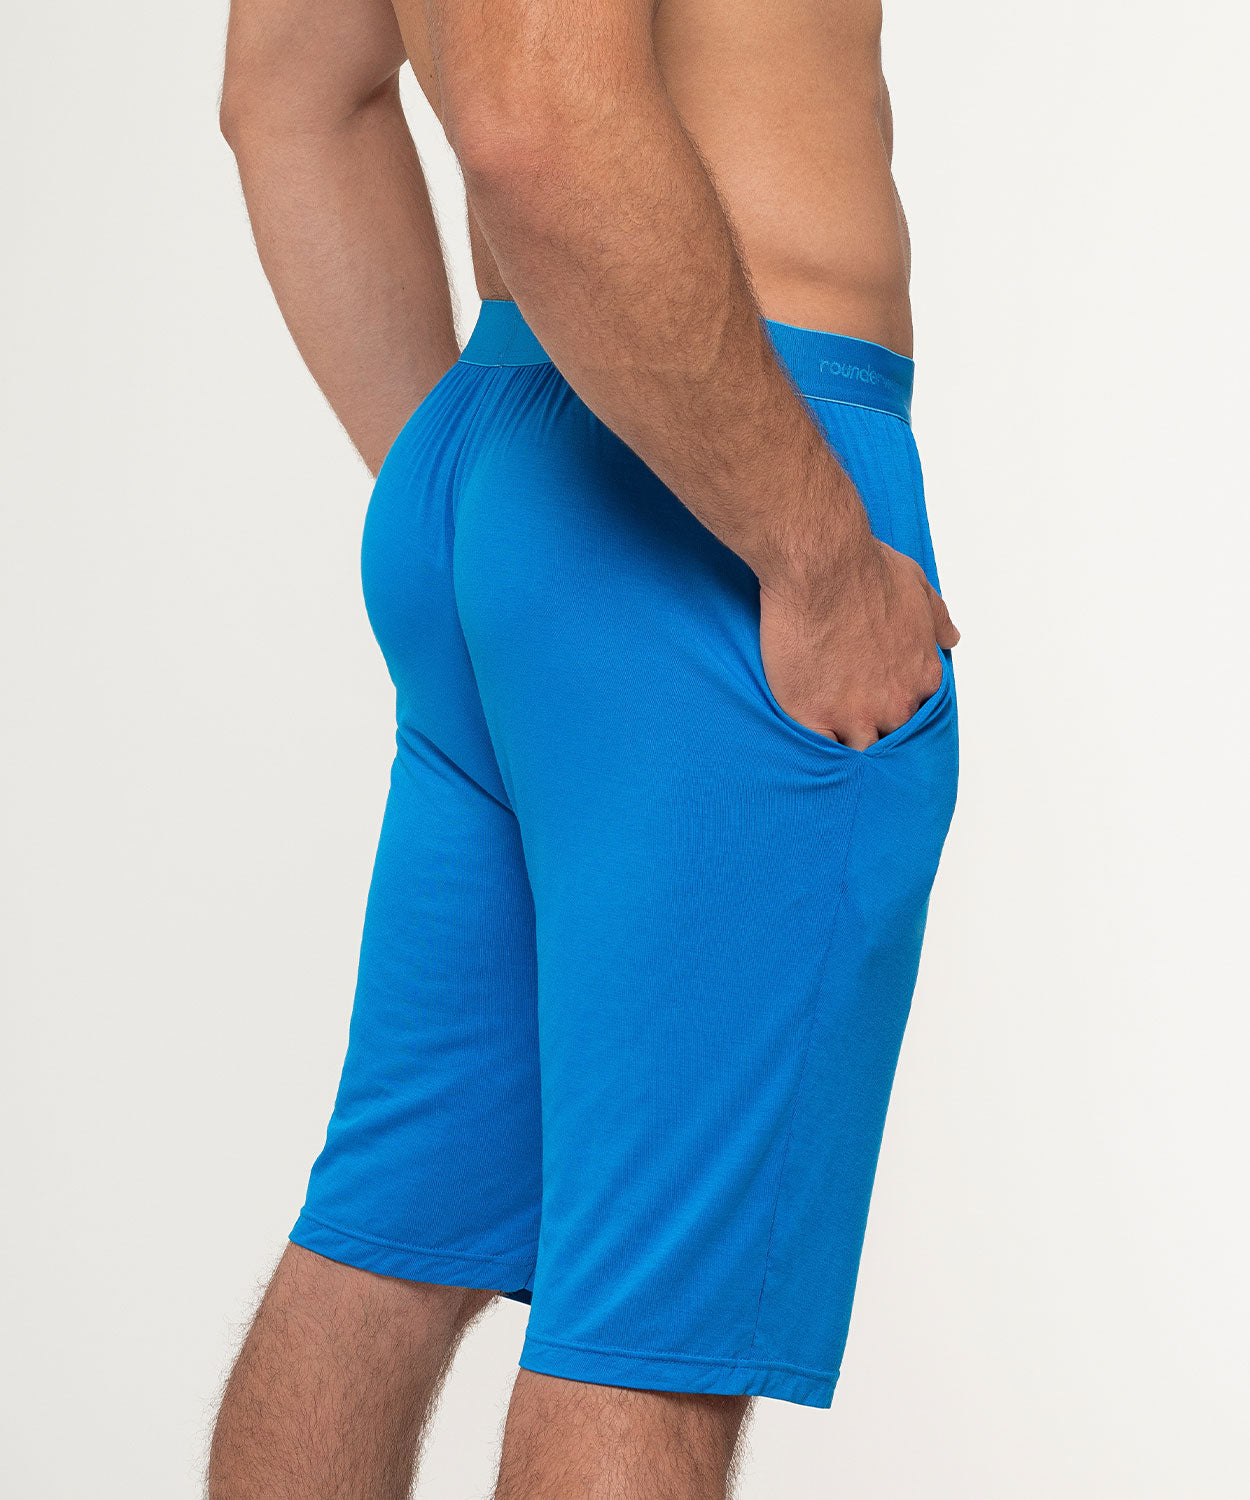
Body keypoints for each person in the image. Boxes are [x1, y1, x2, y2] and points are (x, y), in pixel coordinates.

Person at [211, 0, 960, 1494]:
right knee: (651, 1333)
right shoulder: (761, 522)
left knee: (388, 1233)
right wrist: (815, 555)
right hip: (719, 483)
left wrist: (481, 509)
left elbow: (291, 94)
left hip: (520, 454)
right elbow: (533, 126)